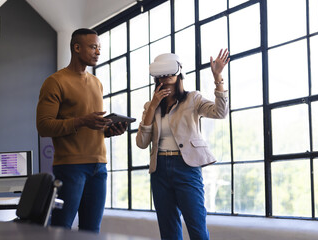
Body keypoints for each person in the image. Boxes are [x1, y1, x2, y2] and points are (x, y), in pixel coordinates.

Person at [36, 28, 127, 233]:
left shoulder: (97, 83)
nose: (98, 52)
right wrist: (81, 121)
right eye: (93, 47)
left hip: (99, 167)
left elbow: (89, 128)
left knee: (91, 231)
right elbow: (43, 126)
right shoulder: (55, 82)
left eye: (99, 48)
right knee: (61, 229)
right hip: (71, 167)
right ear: (76, 48)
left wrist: (109, 130)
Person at [136, 49, 230, 239]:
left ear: (179, 72)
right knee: (169, 231)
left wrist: (218, 77)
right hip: (159, 169)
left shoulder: (192, 99)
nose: (166, 77)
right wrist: (153, 106)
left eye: (170, 72)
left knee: (197, 228)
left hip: (186, 167)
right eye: (162, 74)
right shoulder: (150, 106)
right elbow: (141, 142)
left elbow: (220, 112)